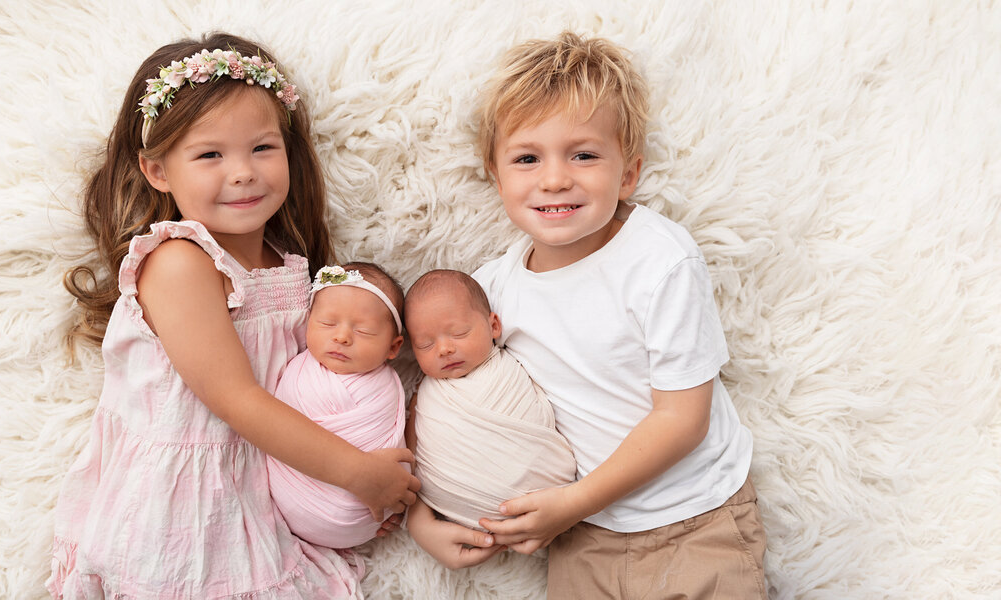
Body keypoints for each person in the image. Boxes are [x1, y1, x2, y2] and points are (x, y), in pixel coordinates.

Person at [48, 33, 420, 599]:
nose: (243, 172)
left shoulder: (292, 267)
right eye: (210, 154)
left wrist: (349, 500)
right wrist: (356, 474)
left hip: (269, 484)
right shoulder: (179, 262)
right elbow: (238, 400)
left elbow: (314, 387)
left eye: (262, 148)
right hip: (185, 505)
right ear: (157, 171)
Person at [411, 32, 768, 598]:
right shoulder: (488, 292)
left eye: (583, 154)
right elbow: (439, 399)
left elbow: (682, 418)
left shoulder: (659, 260)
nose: (555, 178)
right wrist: (420, 522)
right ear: (497, 176)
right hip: (584, 538)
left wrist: (571, 504)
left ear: (628, 172)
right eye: (528, 158)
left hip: (696, 520)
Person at [402, 269, 576, 566]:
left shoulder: (515, 365)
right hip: (465, 516)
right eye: (426, 345)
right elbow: (410, 448)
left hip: (553, 503)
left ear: (493, 325)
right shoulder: (426, 394)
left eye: (459, 333)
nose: (444, 349)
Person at [267, 262, 408, 549]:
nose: (341, 337)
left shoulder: (388, 389)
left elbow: (395, 445)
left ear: (394, 347)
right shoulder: (295, 370)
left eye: (365, 331)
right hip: (291, 503)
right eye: (327, 324)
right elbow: (274, 429)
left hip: (371, 512)